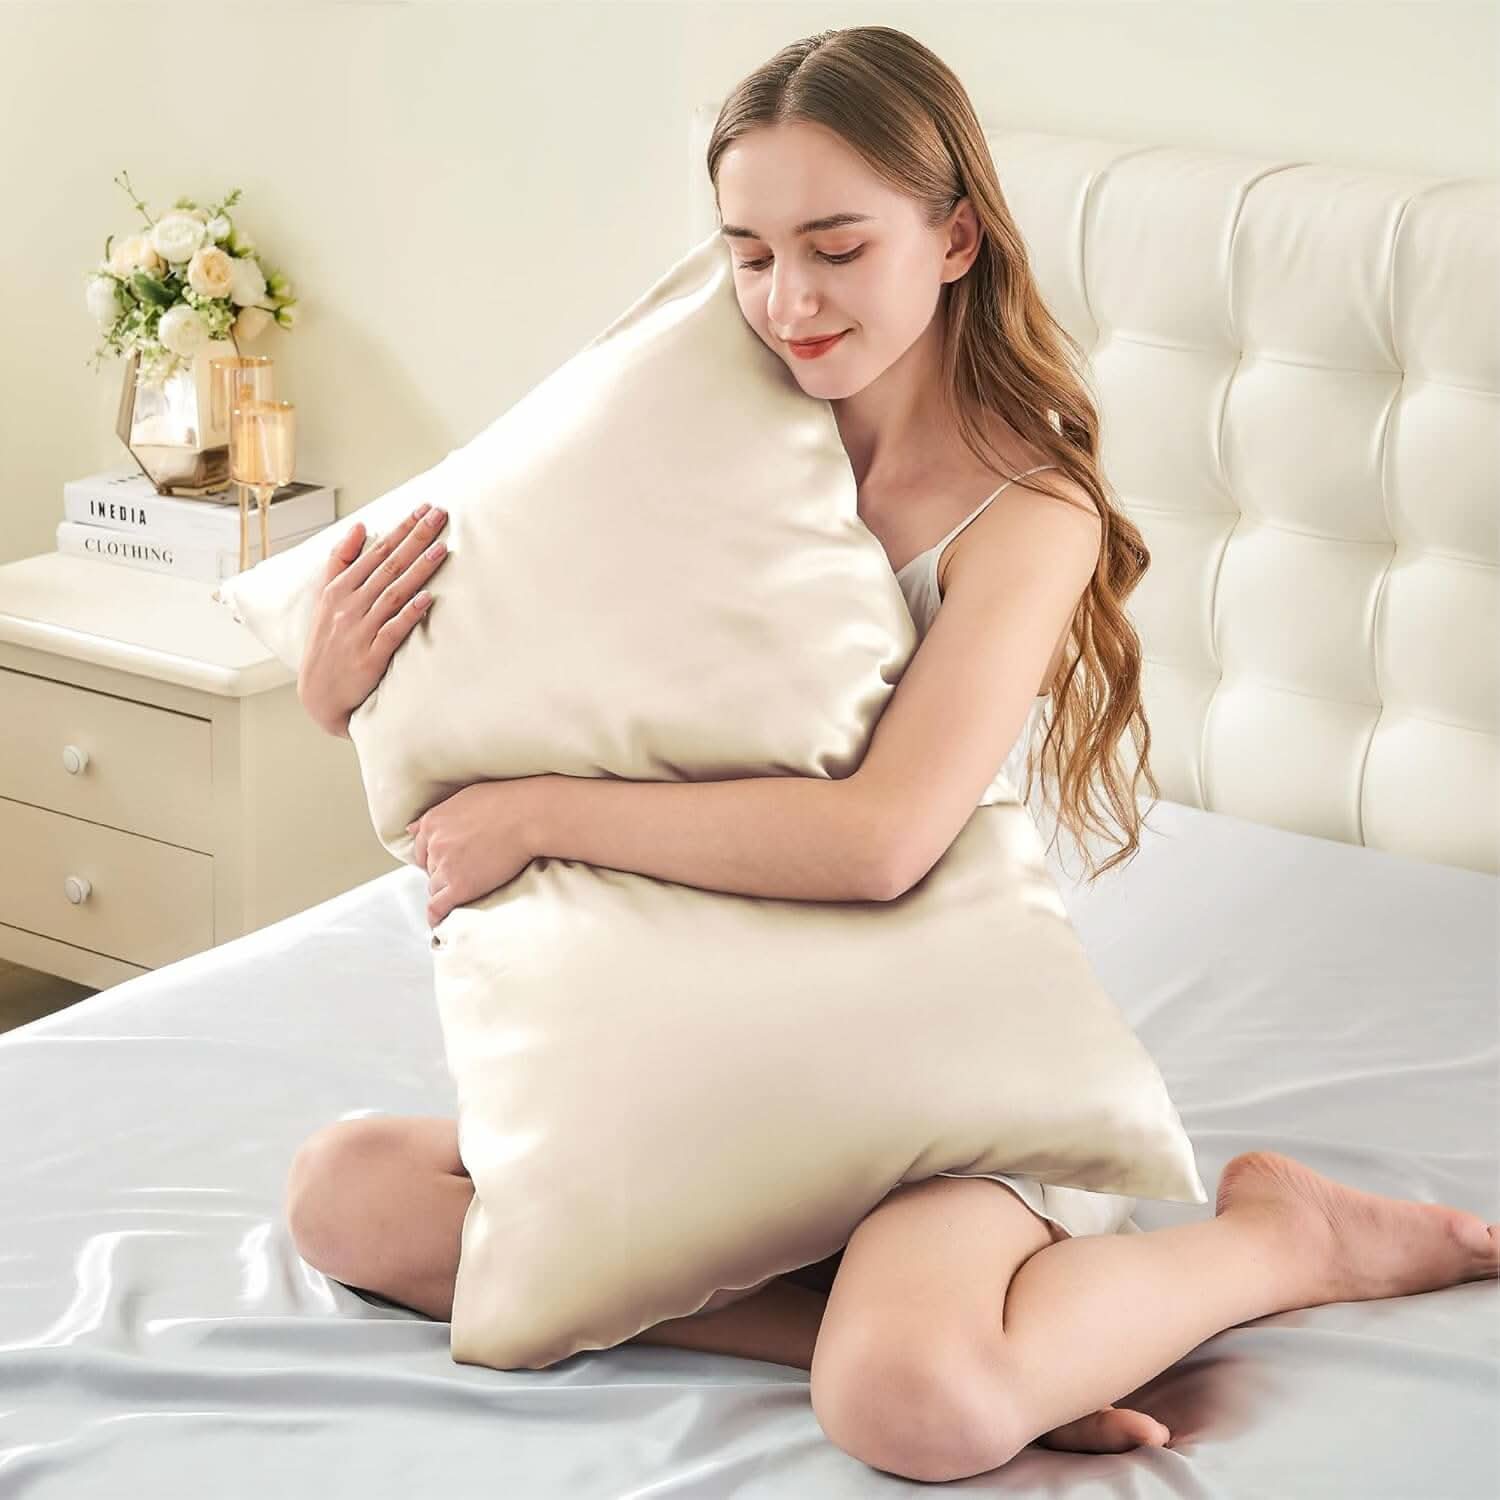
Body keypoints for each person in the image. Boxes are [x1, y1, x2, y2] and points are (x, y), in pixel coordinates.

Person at [284, 25, 1499, 1484]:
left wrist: (540, 814)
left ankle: (1274, 1241)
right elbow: (526, 668)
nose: (786, 301)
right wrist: (341, 682)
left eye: (838, 246)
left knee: (910, 1410)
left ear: (955, 238)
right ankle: (902, 1333)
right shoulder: (676, 431)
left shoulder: (1023, 509)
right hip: (705, 1049)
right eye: (746, 253)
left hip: (940, 1088)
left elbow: (882, 839)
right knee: (348, 1196)